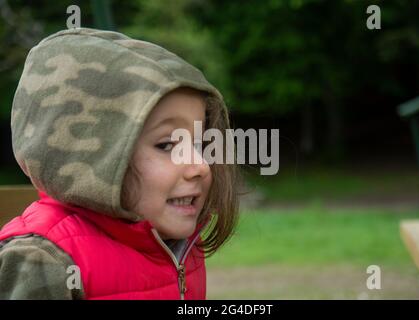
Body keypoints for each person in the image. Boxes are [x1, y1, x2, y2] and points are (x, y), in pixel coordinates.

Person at [0, 28, 240, 300]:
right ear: (93, 150)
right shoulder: (42, 261)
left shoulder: (178, 246)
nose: (200, 166)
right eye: (166, 145)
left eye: (198, 146)